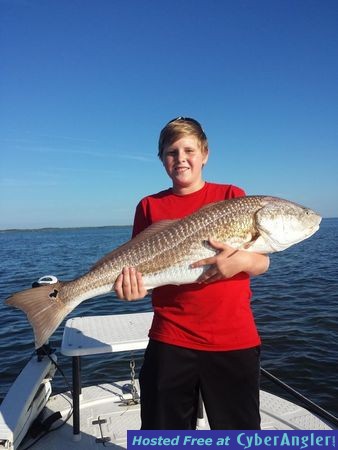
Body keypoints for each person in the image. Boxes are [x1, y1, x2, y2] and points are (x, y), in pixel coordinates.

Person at [114, 117, 270, 430]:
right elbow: (138, 268)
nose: (181, 158)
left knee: (238, 435)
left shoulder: (231, 195)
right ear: (161, 159)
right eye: (171, 152)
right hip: (170, 338)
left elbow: (261, 262)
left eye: (189, 150)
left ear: (205, 153)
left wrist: (238, 262)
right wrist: (132, 289)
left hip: (233, 340)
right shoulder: (149, 205)